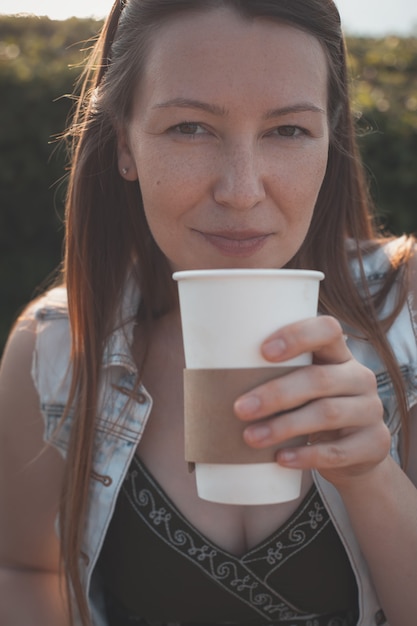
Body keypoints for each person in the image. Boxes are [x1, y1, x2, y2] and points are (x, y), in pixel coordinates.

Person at [0, 0, 416, 624]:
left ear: (331, 141)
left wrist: (370, 475)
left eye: (288, 130)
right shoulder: (56, 353)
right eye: (190, 128)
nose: (242, 190)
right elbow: (24, 569)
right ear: (125, 146)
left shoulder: (406, 313)